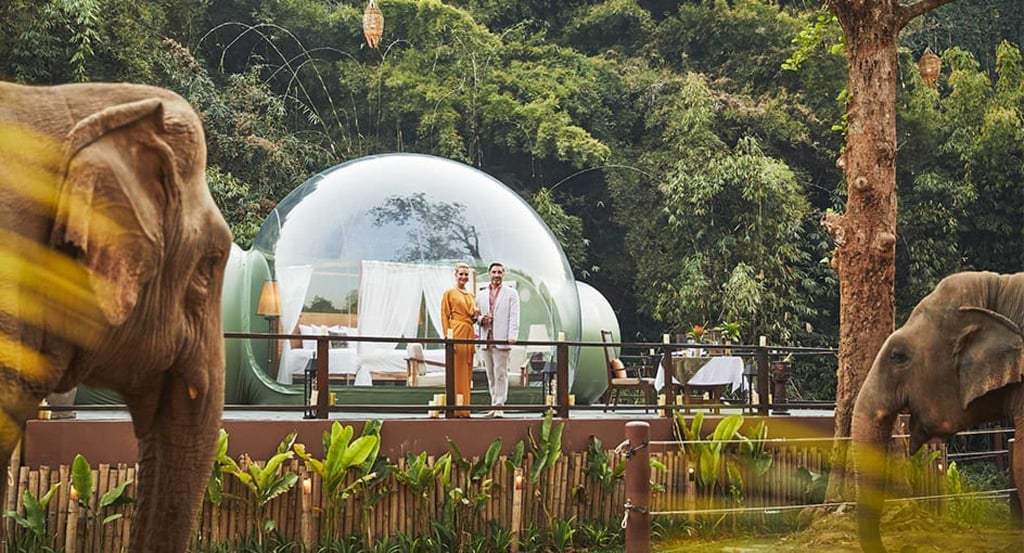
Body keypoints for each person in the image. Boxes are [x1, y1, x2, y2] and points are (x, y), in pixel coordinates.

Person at [476, 262, 520, 418]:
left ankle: (499, 405)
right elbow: (476, 316)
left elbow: (514, 316)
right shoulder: (481, 294)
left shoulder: (511, 293)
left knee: (500, 373)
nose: (496, 275)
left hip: (502, 338)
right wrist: (482, 320)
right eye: (494, 272)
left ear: (503, 274)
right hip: (486, 338)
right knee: (490, 374)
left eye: (499, 272)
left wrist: (512, 335)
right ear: (489, 274)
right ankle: (493, 403)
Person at [441, 262, 480, 418]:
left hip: (469, 330)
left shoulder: (471, 296)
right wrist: (447, 336)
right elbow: (444, 315)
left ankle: (465, 408)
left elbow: (473, 316)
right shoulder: (449, 293)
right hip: (456, 330)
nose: (463, 277)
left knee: (467, 369)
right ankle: (454, 407)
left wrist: (476, 316)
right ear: (455, 275)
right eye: (461, 274)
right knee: (456, 369)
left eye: (466, 274)